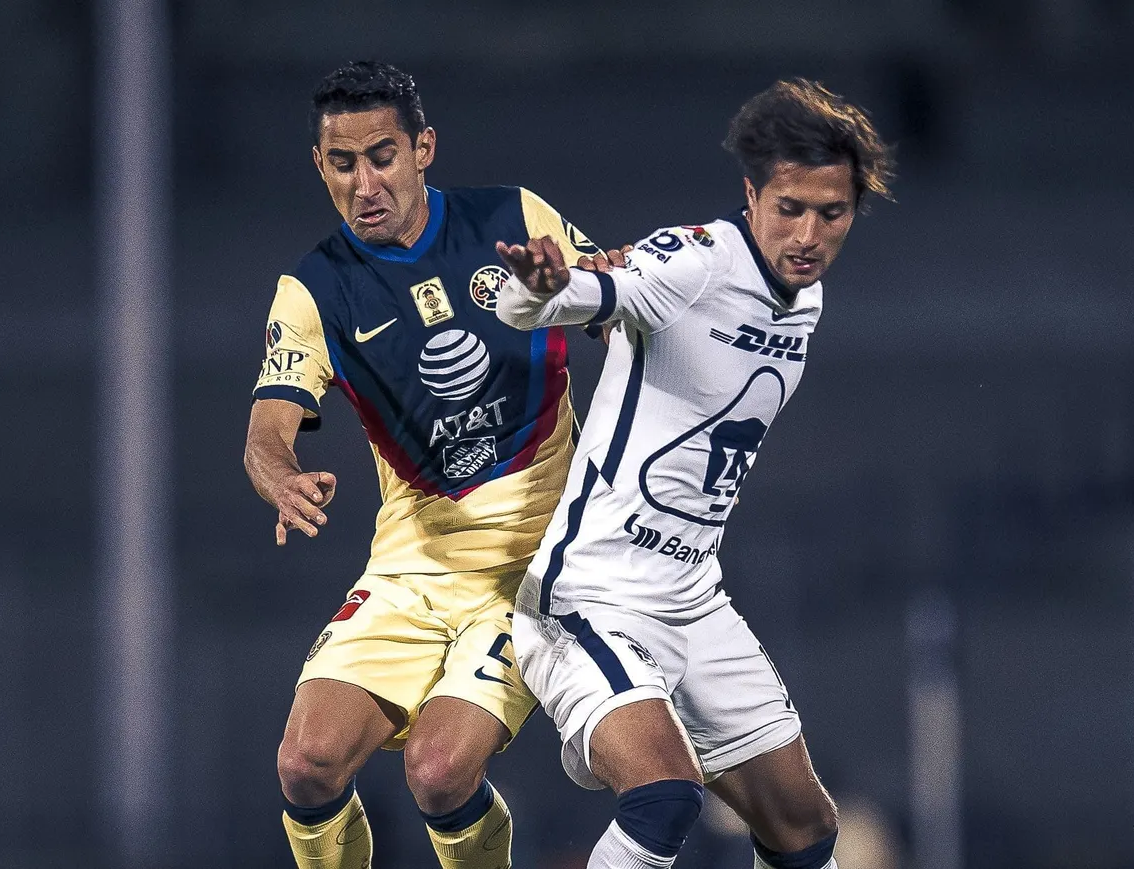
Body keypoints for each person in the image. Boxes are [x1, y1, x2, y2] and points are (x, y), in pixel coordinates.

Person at [494, 78, 894, 869]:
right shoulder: (697, 260)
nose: (809, 232)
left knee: (806, 826)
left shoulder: (803, 304)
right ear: (751, 196)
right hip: (588, 599)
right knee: (665, 796)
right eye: (790, 207)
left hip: (692, 600)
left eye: (832, 212)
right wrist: (542, 285)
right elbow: (568, 298)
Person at [244, 60, 600, 869]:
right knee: (306, 763)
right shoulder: (314, 288)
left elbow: (615, 307)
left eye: (383, 156)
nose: (365, 182)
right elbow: (264, 433)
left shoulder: (513, 218)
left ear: (423, 149)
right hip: (411, 569)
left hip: (532, 567)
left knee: (438, 771)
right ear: (319, 166)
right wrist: (283, 476)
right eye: (343, 163)